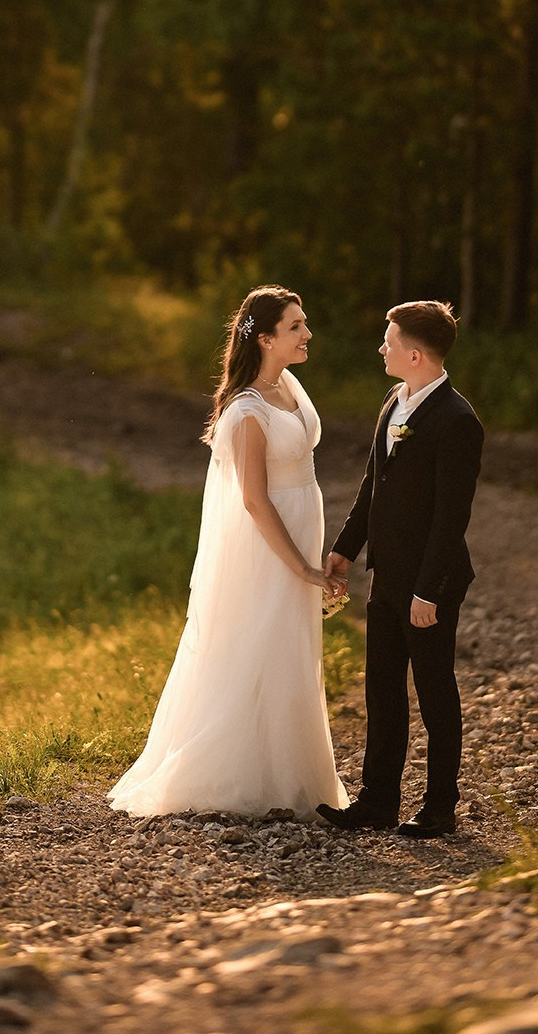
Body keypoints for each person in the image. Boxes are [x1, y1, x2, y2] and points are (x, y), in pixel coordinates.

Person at [108, 285, 347, 819]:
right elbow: (256, 501)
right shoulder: (246, 411)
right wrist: (304, 568)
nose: (307, 334)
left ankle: (294, 773)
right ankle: (244, 777)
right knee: (261, 642)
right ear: (265, 339)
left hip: (302, 527)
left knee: (292, 649)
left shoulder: (288, 382)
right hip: (271, 545)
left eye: (304, 324)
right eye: (296, 327)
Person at [317, 300, 483, 840]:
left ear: (414, 354)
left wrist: (429, 591)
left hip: (428, 585)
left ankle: (440, 807)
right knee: (382, 690)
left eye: (388, 341)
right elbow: (374, 486)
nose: (381, 348)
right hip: (386, 576)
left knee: (435, 692)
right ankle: (378, 800)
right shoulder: (394, 402)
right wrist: (345, 548)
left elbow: (451, 516)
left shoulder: (458, 421)